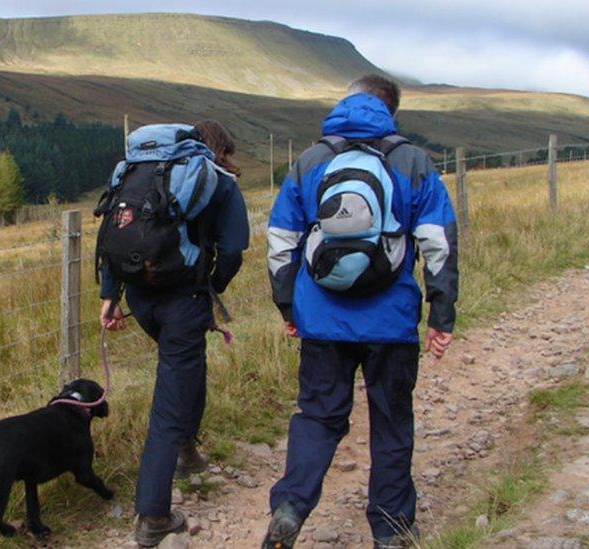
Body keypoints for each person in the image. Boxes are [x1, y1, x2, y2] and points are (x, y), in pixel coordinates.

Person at [263, 75, 458, 549]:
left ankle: (290, 505)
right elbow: (438, 244)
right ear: (391, 112)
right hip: (390, 321)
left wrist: (289, 305)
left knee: (318, 415)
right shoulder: (412, 161)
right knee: (391, 420)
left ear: (345, 99)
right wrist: (441, 314)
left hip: (322, 318)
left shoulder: (311, 160)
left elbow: (280, 242)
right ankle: (391, 533)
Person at [100, 120, 250, 547]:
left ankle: (187, 450)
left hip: (142, 299)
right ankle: (153, 516)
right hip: (184, 299)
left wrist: (110, 297)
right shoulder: (217, 181)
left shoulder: (136, 174)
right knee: (170, 396)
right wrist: (211, 287)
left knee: (187, 367)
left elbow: (113, 229)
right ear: (218, 149)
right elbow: (235, 250)